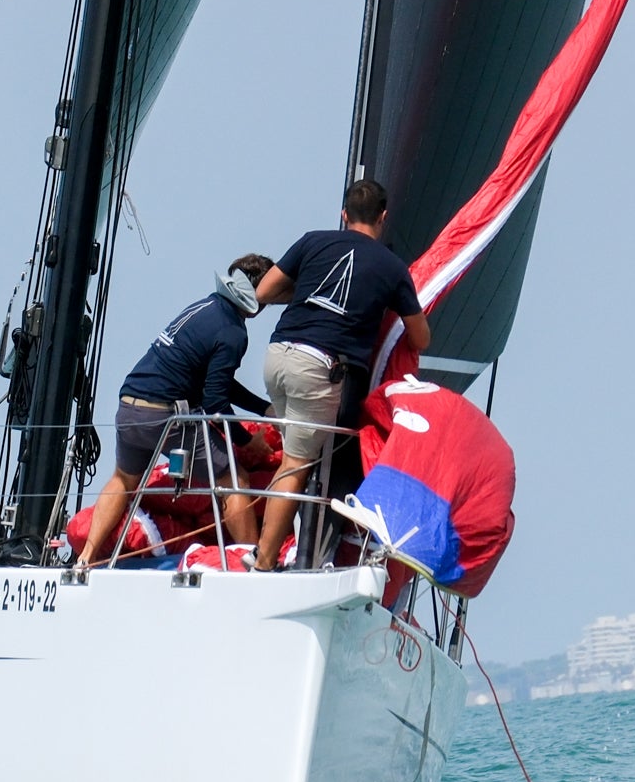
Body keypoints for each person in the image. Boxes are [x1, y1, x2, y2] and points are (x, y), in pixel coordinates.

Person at [250, 180, 428, 571]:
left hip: (277, 357)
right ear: (383, 218)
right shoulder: (392, 268)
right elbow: (421, 337)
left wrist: (308, 293)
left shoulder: (313, 241)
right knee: (297, 466)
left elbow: (262, 291)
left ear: (344, 214)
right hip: (319, 368)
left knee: (301, 456)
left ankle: (287, 550)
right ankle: (264, 562)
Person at [74, 255, 275, 575]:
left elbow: (213, 381)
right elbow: (215, 401)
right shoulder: (234, 332)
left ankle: (85, 557)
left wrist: (263, 408)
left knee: (124, 479)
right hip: (167, 418)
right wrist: (247, 441)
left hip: (130, 406)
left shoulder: (204, 308)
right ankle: (253, 566)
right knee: (234, 480)